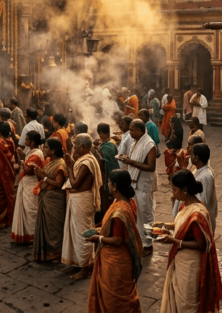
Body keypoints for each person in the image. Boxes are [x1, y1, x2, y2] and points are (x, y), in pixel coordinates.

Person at [158, 170, 222, 313]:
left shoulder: (197, 214)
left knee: (187, 304)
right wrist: (164, 226)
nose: (173, 193)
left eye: (174, 190)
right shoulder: (185, 205)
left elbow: (201, 244)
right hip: (181, 260)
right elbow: (182, 226)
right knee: (178, 299)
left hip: (190, 265)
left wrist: (175, 241)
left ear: (185, 190)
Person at [85, 170, 143, 313]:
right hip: (123, 258)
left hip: (115, 260)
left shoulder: (119, 212)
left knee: (114, 301)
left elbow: (118, 240)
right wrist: (101, 230)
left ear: (115, 186)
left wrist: (98, 238)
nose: (108, 185)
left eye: (109, 183)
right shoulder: (128, 202)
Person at [60, 134, 102, 280]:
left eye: (76, 145)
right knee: (77, 232)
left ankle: (86, 267)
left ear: (83, 147)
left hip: (82, 201)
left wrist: (70, 167)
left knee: (82, 234)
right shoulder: (87, 158)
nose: (74, 147)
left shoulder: (86, 162)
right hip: (79, 199)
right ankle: (81, 261)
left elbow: (75, 183)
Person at [118, 120, 156, 255]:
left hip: (144, 185)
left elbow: (151, 167)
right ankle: (140, 240)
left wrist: (131, 162)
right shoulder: (135, 143)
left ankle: (148, 245)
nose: (130, 132)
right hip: (136, 183)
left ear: (139, 131)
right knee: (137, 214)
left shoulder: (149, 144)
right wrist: (127, 159)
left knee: (146, 215)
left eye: (132, 130)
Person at [33, 137, 67, 262]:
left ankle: (56, 253)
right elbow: (45, 177)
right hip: (46, 196)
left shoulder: (61, 164)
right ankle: (46, 252)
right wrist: (40, 175)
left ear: (52, 151)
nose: (44, 149)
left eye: (46, 147)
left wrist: (44, 177)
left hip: (55, 199)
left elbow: (58, 184)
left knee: (53, 228)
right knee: (45, 226)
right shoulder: (49, 161)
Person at [10, 130, 44, 244]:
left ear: (33, 142)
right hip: (27, 184)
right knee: (26, 210)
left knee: (31, 211)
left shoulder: (36, 154)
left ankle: (33, 236)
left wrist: (22, 161)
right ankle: (26, 235)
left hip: (31, 185)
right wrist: (23, 156)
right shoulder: (32, 152)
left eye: (27, 139)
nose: (25, 141)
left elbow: (29, 170)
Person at [190, 143, 217, 233]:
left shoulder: (206, 176)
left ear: (196, 158)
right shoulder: (198, 171)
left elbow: (203, 201)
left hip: (201, 219)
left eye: (191, 155)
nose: (190, 157)